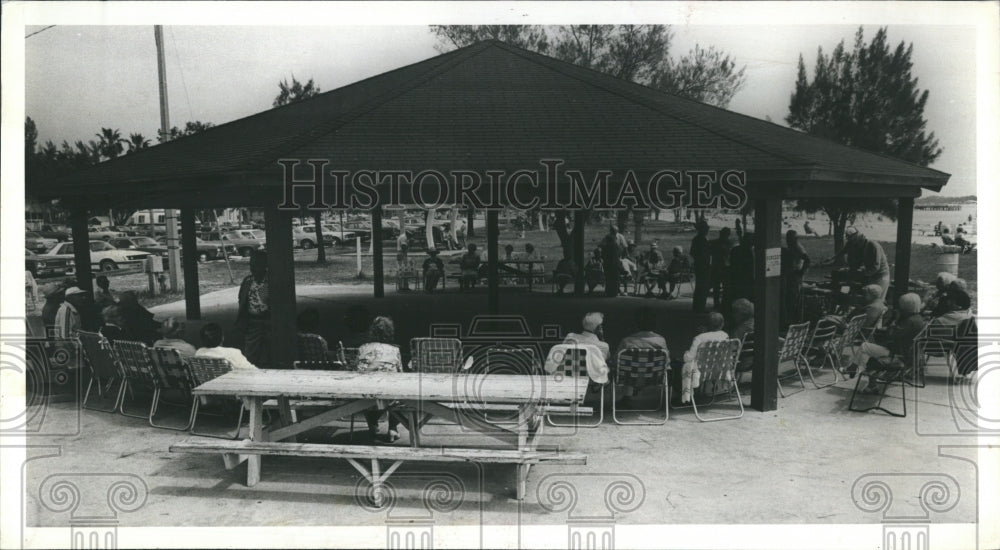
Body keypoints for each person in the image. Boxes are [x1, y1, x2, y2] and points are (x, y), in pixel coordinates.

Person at [849, 293, 926, 392]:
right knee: (868, 348)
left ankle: (860, 375)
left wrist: (895, 319)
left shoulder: (909, 322)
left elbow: (890, 335)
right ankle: (855, 370)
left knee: (865, 347)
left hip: (898, 356)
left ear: (905, 306)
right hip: (908, 354)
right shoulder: (918, 319)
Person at [355, 316, 403, 442]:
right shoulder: (395, 350)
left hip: (367, 394)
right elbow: (400, 374)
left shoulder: (362, 348)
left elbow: (357, 370)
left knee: (369, 396)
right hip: (389, 395)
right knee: (399, 395)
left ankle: (373, 424)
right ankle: (392, 429)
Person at [616, 307, 669, 404]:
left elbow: (617, 361)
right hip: (654, 377)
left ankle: (627, 397)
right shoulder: (661, 340)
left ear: (636, 324)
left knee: (627, 367)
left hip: (630, 377)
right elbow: (667, 361)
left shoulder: (627, 341)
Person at [680, 312, 729, 403]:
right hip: (719, 370)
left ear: (706, 325)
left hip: (702, 372)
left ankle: (687, 396)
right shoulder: (725, 336)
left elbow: (688, 358)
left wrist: (685, 353)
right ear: (722, 324)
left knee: (685, 364)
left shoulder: (699, 338)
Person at [830, 227, 890, 299]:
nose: (852, 243)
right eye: (849, 240)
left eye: (852, 240)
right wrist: (832, 258)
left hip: (880, 275)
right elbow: (844, 251)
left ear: (858, 237)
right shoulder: (853, 243)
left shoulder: (873, 246)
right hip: (869, 275)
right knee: (866, 298)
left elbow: (876, 267)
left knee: (877, 299)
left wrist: (861, 274)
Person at [236, 250, 271, 368]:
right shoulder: (248, 281)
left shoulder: (271, 281)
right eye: (251, 265)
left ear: (265, 266)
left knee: (268, 354)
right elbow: (241, 299)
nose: (253, 269)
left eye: (256, 265)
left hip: (268, 322)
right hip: (252, 322)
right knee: (250, 356)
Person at [781, 230, 811, 325]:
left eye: (791, 238)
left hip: (795, 275)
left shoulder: (797, 247)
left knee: (792, 297)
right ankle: (789, 319)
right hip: (791, 275)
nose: (788, 240)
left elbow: (807, 259)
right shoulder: (791, 247)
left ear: (795, 239)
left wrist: (801, 272)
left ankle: (792, 320)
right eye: (788, 238)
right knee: (789, 297)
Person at [727, 232, 755, 308]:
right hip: (745, 280)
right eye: (752, 241)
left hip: (737, 279)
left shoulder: (735, 250)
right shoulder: (748, 252)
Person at [600, 225, 628, 297]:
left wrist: (624, 256)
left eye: (615, 231)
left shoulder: (619, 238)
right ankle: (613, 292)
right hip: (613, 263)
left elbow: (625, 247)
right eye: (612, 231)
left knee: (610, 278)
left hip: (612, 262)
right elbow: (601, 246)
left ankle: (611, 292)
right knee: (613, 277)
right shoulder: (613, 245)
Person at [709, 227, 733, 308]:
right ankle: (717, 303)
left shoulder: (728, 243)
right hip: (719, 266)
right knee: (718, 286)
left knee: (724, 286)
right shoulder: (717, 243)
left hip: (723, 267)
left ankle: (722, 303)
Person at [690, 220, 711, 312]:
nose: (707, 230)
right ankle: (700, 306)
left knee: (701, 286)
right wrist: (701, 259)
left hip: (701, 264)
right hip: (702, 265)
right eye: (705, 229)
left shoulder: (700, 239)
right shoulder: (699, 240)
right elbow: (693, 252)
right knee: (702, 286)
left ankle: (699, 306)